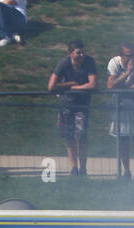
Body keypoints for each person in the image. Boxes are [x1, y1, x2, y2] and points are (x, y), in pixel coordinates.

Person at [50, 39, 97, 176]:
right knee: (69, 136)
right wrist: (68, 84)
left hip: (82, 104)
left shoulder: (89, 62)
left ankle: (83, 168)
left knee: (81, 136)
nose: (82, 55)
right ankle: (74, 168)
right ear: (70, 53)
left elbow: (93, 84)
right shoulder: (64, 63)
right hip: (66, 104)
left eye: (82, 52)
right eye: (78, 53)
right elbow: (51, 86)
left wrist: (75, 87)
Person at [107, 42, 134, 180]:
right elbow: (111, 85)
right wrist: (127, 73)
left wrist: (125, 90)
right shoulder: (114, 63)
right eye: (128, 56)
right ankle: (126, 171)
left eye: (133, 55)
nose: (132, 59)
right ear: (121, 56)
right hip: (122, 107)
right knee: (124, 140)